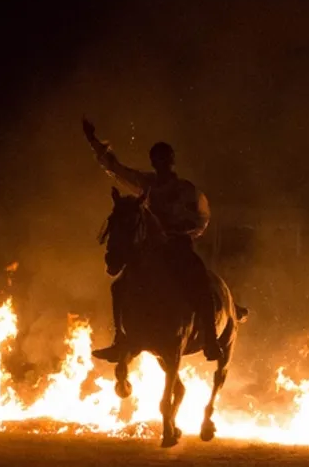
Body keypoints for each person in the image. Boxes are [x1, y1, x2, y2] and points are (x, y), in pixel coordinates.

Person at [82, 117, 222, 362]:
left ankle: (210, 338)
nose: (160, 163)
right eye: (156, 159)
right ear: (153, 162)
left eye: (164, 159)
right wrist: (94, 142)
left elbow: (201, 218)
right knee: (119, 286)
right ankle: (120, 339)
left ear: (171, 161)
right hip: (152, 248)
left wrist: (181, 233)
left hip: (179, 245)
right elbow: (116, 168)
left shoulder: (187, 190)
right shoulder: (146, 183)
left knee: (199, 280)